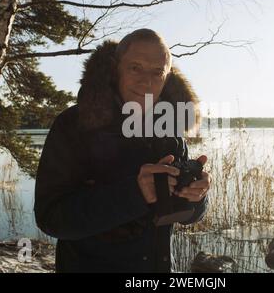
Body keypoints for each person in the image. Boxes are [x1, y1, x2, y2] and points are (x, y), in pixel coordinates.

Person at [34, 28, 210, 273]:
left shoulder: (169, 130)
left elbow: (182, 214)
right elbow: (50, 218)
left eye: (157, 72)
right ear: (115, 68)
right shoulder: (74, 125)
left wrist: (196, 198)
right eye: (135, 67)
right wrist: (135, 193)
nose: (146, 81)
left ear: (167, 77)